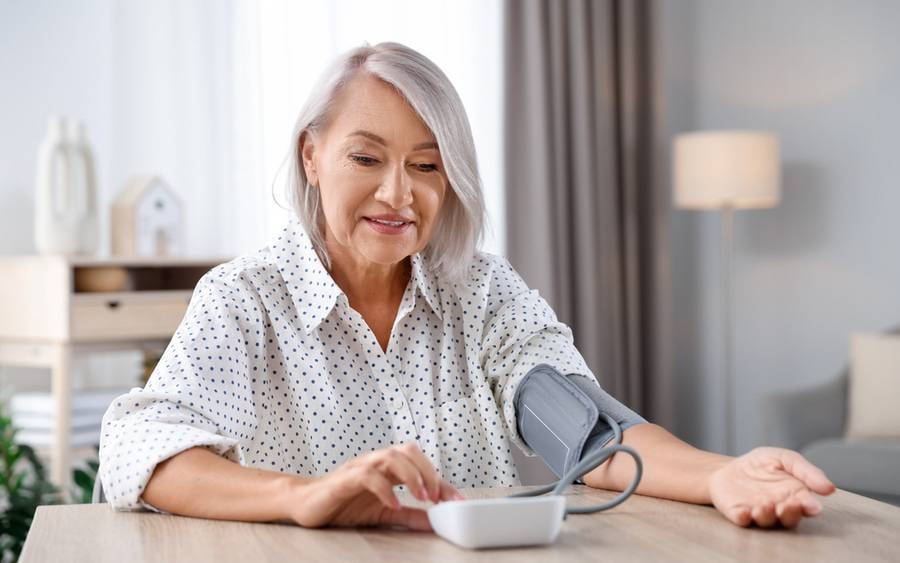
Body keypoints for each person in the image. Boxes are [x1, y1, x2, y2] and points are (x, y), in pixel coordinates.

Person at [98, 41, 835, 532]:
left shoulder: (477, 290)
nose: (398, 194)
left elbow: (589, 436)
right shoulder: (244, 298)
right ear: (312, 154)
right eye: (367, 157)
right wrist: (302, 497)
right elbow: (145, 449)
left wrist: (721, 474)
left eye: (427, 165)